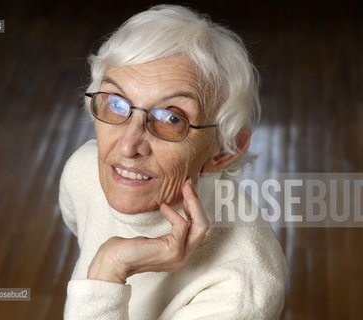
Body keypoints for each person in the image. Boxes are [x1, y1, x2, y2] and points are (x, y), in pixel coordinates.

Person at [59, 4, 287, 319]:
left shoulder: (241, 289)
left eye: (171, 118)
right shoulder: (83, 173)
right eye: (116, 102)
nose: (128, 146)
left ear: (223, 151)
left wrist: (110, 269)